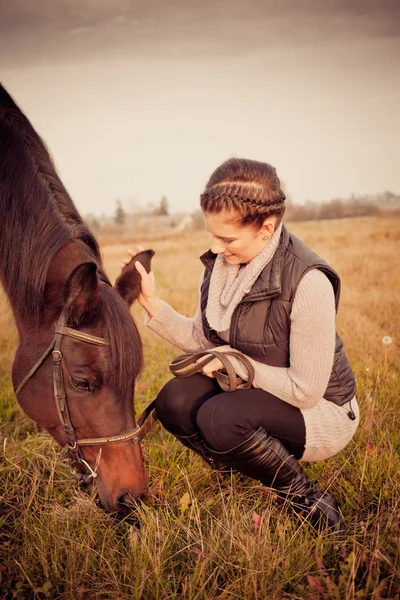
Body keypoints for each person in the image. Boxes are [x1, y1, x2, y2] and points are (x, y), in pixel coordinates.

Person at [122, 158, 359, 533]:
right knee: (173, 400)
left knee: (221, 418)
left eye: (227, 239)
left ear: (267, 228)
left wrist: (237, 362)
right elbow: (204, 339)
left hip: (322, 411)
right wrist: (150, 301)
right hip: (259, 391)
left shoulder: (310, 281)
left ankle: (307, 499)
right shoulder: (223, 266)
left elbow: (306, 390)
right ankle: (243, 460)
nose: (216, 248)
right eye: (212, 235)